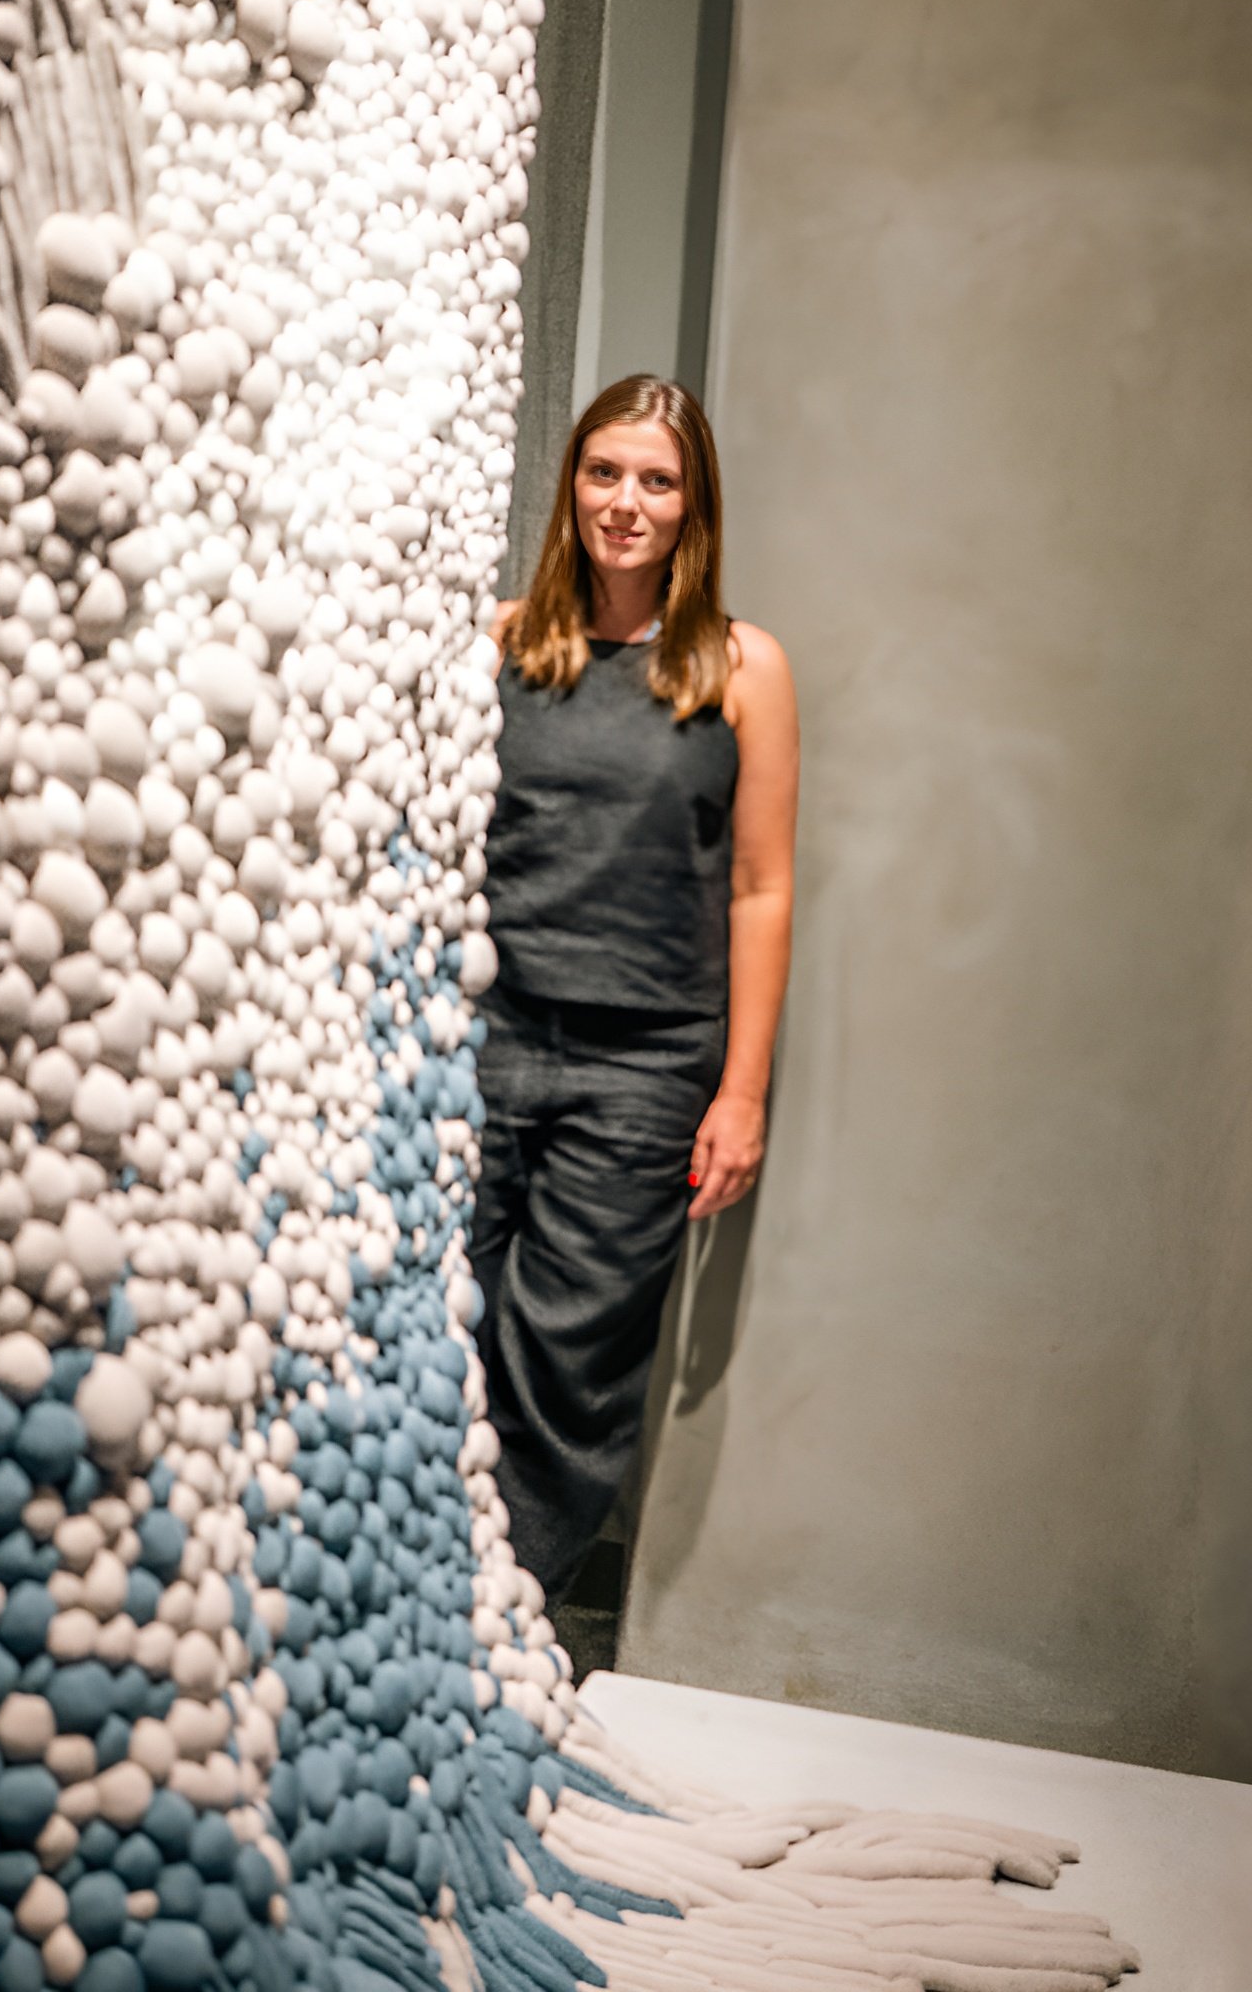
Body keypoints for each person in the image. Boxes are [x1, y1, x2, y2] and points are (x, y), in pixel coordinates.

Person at [471, 373, 799, 1602]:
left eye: (656, 481)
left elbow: (761, 888)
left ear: (691, 505)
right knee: (433, 1319)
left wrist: (741, 1094)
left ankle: (502, 1619)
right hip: (485, 1038)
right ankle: (402, 1605)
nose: (625, 501)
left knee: (568, 1367)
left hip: (645, 1068)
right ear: (571, 484)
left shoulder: (739, 666)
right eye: (604, 472)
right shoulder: (504, 643)